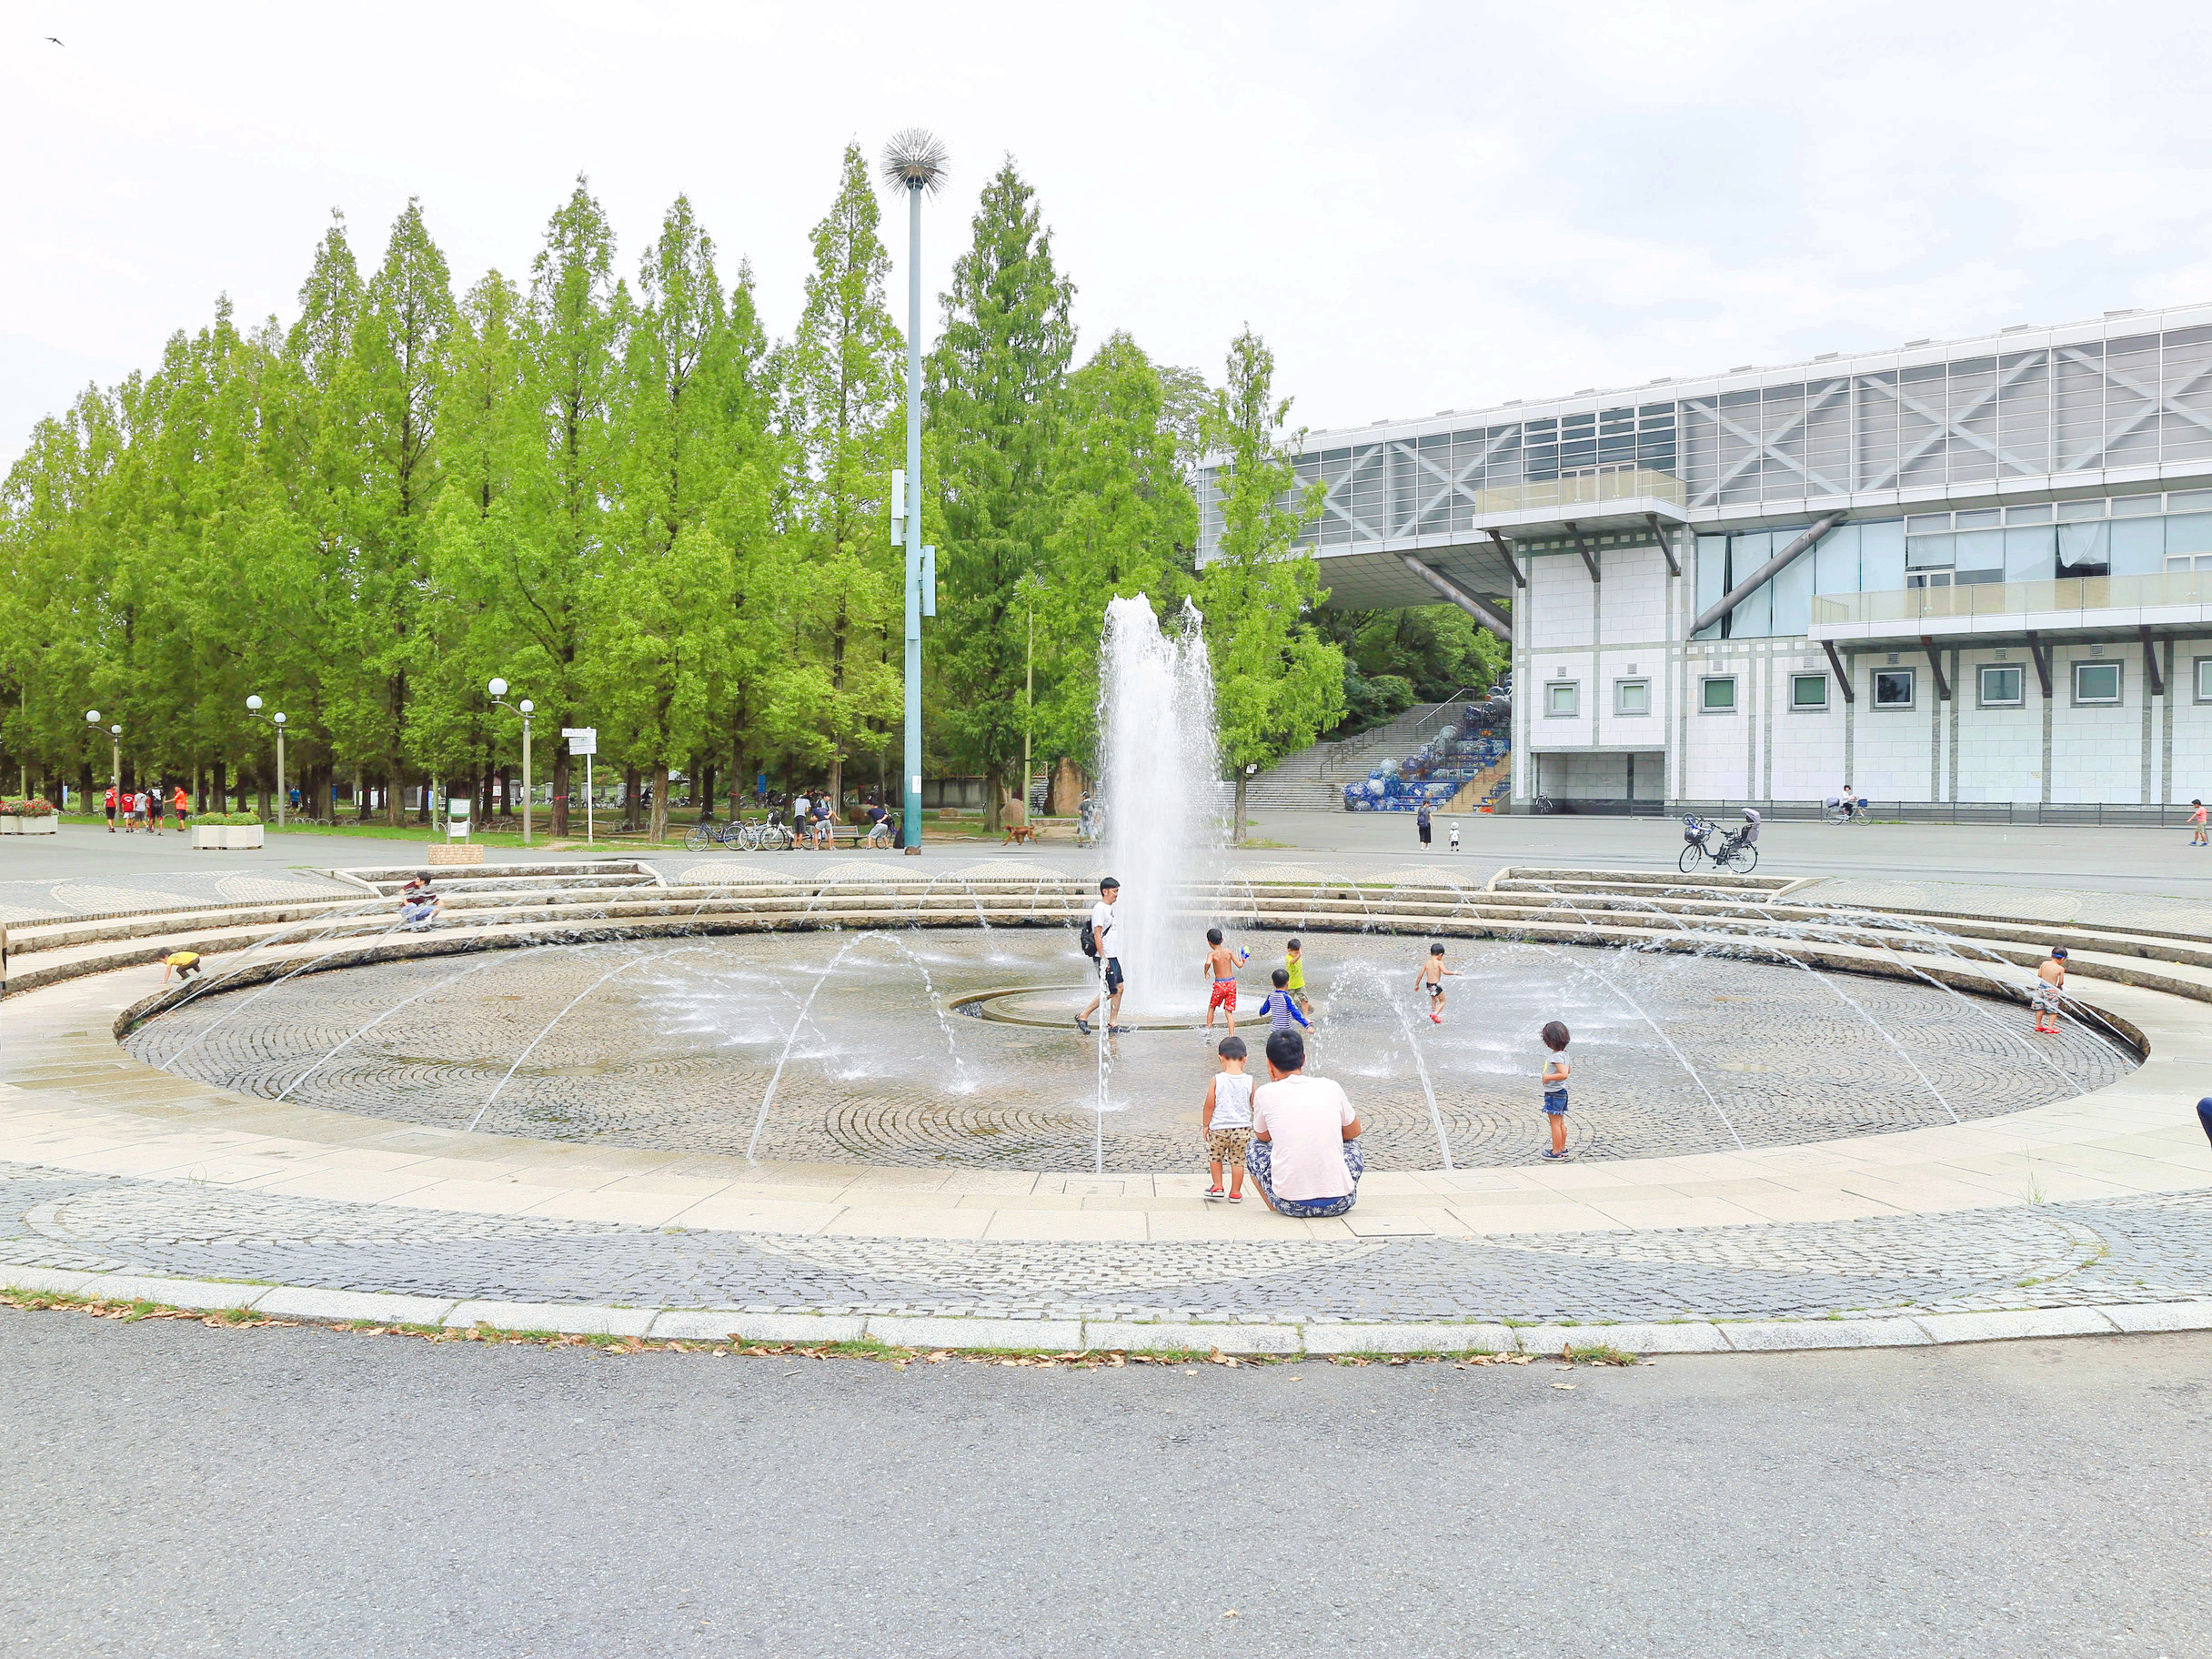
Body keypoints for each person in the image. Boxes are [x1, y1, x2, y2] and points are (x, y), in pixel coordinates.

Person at [1244, 1028, 1363, 1219]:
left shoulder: (1264, 1093)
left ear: (1269, 1063)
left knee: (1253, 1148)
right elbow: (1354, 1131)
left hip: (1290, 1205)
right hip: (1340, 1202)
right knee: (1353, 1146)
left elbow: (1263, 1137)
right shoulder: (1331, 1086)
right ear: (1303, 1059)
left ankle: (1275, 1208)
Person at [1200, 1035, 1254, 1203]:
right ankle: (1236, 1192)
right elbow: (1255, 1106)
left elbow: (1209, 1104)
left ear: (1220, 1058)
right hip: (1242, 1129)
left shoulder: (1217, 1080)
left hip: (1219, 1128)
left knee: (1216, 1157)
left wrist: (1206, 1125)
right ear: (1245, 1059)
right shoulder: (1250, 1081)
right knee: (1238, 1160)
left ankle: (1217, 1186)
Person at [1077, 877, 1124, 1035]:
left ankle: (1113, 1023)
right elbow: (1097, 934)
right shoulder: (1100, 909)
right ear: (1105, 891)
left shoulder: (1109, 908)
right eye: (1114, 891)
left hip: (1112, 955)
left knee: (1119, 988)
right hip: (1103, 956)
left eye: (1117, 891)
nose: (1117, 894)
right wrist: (1103, 957)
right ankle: (1083, 1015)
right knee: (1110, 989)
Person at [1539, 1020, 1572, 1161]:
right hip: (1561, 1092)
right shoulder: (1564, 1054)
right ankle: (1562, 1148)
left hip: (1554, 1094)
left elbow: (1564, 1074)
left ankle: (1556, 1151)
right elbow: (1568, 1070)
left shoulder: (1556, 1056)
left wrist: (1548, 1077)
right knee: (1560, 1122)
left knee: (1555, 1124)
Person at [1202, 926, 1243, 1035]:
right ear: (1222, 940)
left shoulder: (1212, 954)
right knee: (1229, 1011)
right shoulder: (1229, 952)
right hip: (1231, 983)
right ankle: (1231, 1034)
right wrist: (1243, 959)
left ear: (1209, 942)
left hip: (1220, 984)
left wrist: (1206, 972)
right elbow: (1239, 965)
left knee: (1212, 1007)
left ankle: (1209, 1029)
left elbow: (1207, 963)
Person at [1255, 968, 1311, 1035]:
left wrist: (1261, 1012)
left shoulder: (1270, 996)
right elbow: (1295, 1012)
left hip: (1274, 1032)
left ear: (1273, 984)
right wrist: (1307, 1025)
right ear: (1287, 984)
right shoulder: (1286, 997)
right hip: (1286, 1032)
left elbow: (1265, 1008)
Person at [1415, 941, 1456, 1024]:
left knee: (1434, 999)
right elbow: (1445, 972)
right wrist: (1456, 973)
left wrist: (1417, 985)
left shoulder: (1427, 963)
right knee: (1443, 1001)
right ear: (1440, 955)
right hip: (1436, 985)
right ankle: (1435, 1014)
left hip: (1429, 985)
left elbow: (1420, 975)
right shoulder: (1439, 963)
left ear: (1431, 953)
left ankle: (1433, 1013)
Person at [2033, 946, 2067, 1035]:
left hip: (2040, 988)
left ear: (2052, 956)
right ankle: (2050, 1027)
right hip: (2051, 990)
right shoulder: (2060, 969)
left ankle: (2038, 1025)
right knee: (2053, 1010)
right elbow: (2061, 982)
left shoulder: (2044, 963)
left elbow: (2039, 974)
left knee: (2039, 1008)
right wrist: (2059, 988)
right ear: (2062, 959)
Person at [1283, 938, 1312, 1018]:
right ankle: (1286, 1017)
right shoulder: (1288, 958)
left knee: (1305, 1000)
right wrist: (1299, 955)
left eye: (1298, 952)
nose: (1297, 954)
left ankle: (1306, 1017)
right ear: (1289, 950)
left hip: (1300, 984)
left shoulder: (1298, 956)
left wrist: (1299, 952)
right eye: (1295, 953)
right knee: (1288, 1003)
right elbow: (1292, 962)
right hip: (1290, 986)